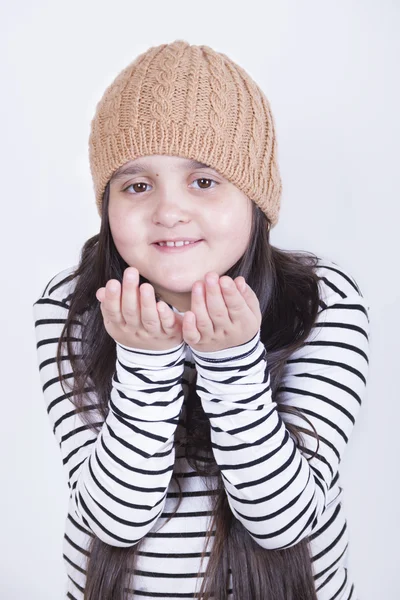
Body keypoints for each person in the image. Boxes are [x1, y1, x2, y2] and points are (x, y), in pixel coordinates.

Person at [32, 39, 370, 600]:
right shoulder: (72, 305)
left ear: (255, 198)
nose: (168, 211)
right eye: (137, 186)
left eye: (204, 181)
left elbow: (283, 522)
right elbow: (115, 522)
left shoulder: (320, 301)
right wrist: (144, 362)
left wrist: (233, 364)